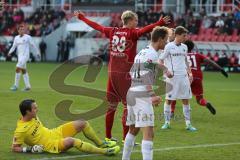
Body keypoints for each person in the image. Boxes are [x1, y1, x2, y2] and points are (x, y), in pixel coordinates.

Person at [74, 10, 170, 142]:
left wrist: (82, 18)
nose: (137, 24)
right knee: (127, 105)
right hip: (124, 73)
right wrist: (160, 23)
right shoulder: (132, 33)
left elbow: (96, 26)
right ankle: (126, 138)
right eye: (135, 21)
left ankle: (108, 137)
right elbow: (146, 30)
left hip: (112, 72)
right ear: (129, 21)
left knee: (111, 106)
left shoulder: (112, 31)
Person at [122, 26, 172, 160]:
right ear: (160, 39)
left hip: (131, 92)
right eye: (166, 40)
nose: (166, 43)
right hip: (141, 95)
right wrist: (152, 95)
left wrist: (165, 69)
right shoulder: (152, 54)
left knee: (133, 130)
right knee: (149, 133)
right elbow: (145, 75)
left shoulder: (143, 51)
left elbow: (135, 70)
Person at [12, 99, 120, 155]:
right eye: (35, 108)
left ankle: (102, 144)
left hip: (54, 133)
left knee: (82, 123)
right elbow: (15, 147)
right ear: (27, 111)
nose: (37, 110)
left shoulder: (32, 116)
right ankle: (105, 152)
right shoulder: (20, 130)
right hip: (51, 145)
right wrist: (30, 149)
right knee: (72, 141)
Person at [170, 40, 228, 116]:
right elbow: (209, 61)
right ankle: (206, 103)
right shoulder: (197, 55)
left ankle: (172, 112)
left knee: (174, 94)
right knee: (199, 99)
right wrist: (221, 69)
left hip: (185, 77)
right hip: (197, 78)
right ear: (192, 47)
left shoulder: (181, 55)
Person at [159, 26, 197, 131]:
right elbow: (160, 61)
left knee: (186, 100)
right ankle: (166, 123)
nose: (185, 37)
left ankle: (188, 124)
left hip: (184, 77)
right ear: (177, 35)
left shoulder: (184, 47)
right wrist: (166, 71)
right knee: (169, 100)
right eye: (184, 35)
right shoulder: (168, 47)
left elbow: (185, 61)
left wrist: (190, 73)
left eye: (186, 35)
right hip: (172, 78)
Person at [8, 24, 40, 91]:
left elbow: (33, 45)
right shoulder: (16, 38)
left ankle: (16, 85)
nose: (22, 31)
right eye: (21, 29)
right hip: (19, 56)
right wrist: (10, 52)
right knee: (23, 70)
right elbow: (13, 47)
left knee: (17, 69)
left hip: (25, 56)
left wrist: (37, 53)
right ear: (18, 30)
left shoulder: (28, 37)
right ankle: (28, 87)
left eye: (23, 29)